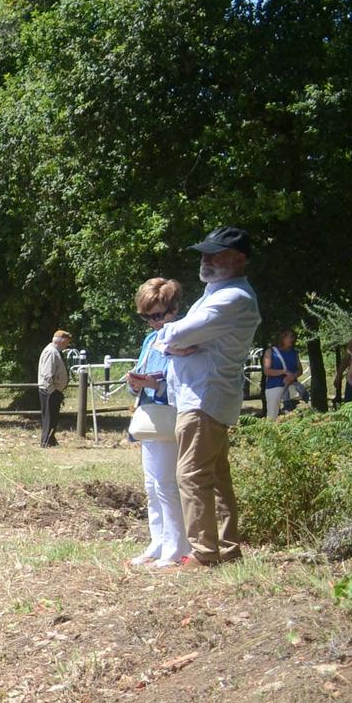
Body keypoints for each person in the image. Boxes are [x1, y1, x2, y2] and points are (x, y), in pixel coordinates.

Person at [157, 226, 261, 567]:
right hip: (204, 397)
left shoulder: (232, 298)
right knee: (215, 478)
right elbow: (178, 338)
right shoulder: (217, 292)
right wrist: (176, 342)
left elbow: (176, 332)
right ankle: (227, 550)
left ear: (239, 258)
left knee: (191, 475)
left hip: (203, 399)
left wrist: (174, 340)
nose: (205, 259)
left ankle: (204, 554)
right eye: (204, 252)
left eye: (214, 254)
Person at [122, 278, 190, 568]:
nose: (152, 322)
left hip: (170, 414)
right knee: (152, 485)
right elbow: (140, 374)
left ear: (174, 309)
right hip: (148, 415)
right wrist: (136, 384)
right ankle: (159, 541)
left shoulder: (183, 335)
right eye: (146, 316)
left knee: (166, 484)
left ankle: (176, 546)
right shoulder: (150, 339)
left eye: (158, 315)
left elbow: (182, 380)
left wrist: (155, 385)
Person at [37, 330, 72, 446]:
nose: (67, 345)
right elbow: (47, 374)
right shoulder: (51, 352)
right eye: (66, 342)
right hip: (49, 391)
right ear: (61, 341)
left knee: (52, 417)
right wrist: (52, 391)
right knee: (49, 418)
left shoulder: (54, 351)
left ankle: (50, 440)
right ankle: (46, 441)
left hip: (52, 390)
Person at [262, 329, 302, 418]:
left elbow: (300, 370)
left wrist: (293, 376)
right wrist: (283, 372)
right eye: (289, 337)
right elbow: (267, 371)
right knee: (272, 416)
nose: (292, 339)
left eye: (293, 337)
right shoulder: (270, 351)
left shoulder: (294, 352)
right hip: (274, 387)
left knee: (293, 415)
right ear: (282, 338)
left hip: (291, 387)